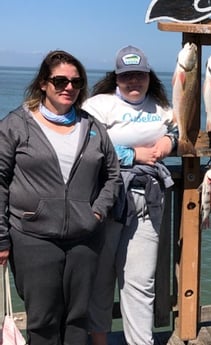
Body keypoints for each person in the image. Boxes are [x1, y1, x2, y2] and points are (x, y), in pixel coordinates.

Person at [0, 50, 121, 344]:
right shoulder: (17, 125)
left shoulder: (93, 127)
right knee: (42, 320)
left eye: (76, 82)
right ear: (43, 83)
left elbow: (113, 176)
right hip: (33, 238)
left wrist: (97, 213)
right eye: (60, 80)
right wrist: (2, 237)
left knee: (78, 318)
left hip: (84, 239)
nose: (69, 87)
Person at [82, 45, 177, 345]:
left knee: (141, 282)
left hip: (149, 200)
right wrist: (131, 154)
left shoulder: (161, 107)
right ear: (116, 78)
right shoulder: (98, 105)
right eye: (126, 76)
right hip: (108, 198)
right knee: (101, 278)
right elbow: (86, 141)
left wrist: (169, 143)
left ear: (149, 76)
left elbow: (176, 131)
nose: (134, 82)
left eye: (139, 75)